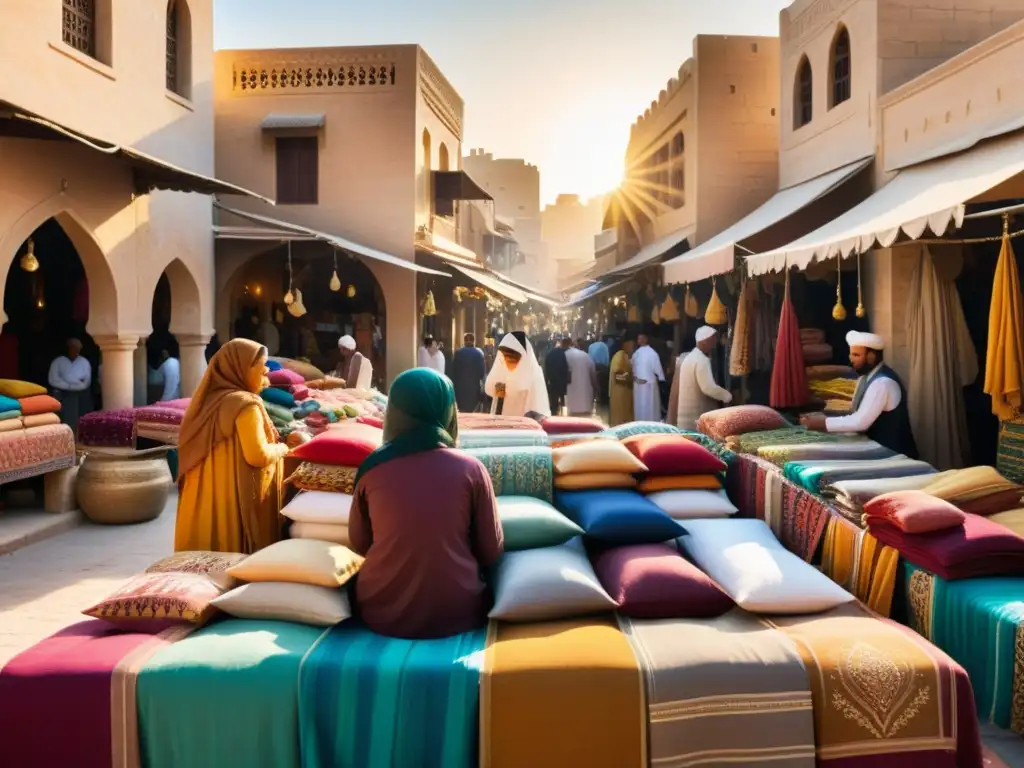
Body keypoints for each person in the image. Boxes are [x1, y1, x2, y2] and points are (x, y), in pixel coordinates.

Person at [348, 368, 503, 638]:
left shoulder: (371, 469)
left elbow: (359, 543)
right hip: (460, 612)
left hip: (381, 613)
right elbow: (491, 550)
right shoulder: (471, 470)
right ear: (447, 410)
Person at [174, 339, 289, 554]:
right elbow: (257, 455)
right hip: (229, 503)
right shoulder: (245, 404)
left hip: (201, 504)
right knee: (230, 562)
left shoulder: (206, 403)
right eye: (261, 366)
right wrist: (284, 449)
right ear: (241, 368)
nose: (266, 372)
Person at [801, 330, 918, 457]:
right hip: (879, 451)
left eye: (856, 355)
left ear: (871, 356)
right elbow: (856, 414)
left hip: (894, 454)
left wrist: (823, 423)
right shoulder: (865, 379)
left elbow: (860, 422)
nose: (851, 359)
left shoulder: (883, 382)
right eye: (851, 355)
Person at [673, 326, 732, 430]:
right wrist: (727, 396)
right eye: (712, 340)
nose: (714, 344)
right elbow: (708, 388)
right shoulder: (701, 360)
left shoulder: (690, 357)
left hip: (685, 419)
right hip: (696, 418)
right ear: (704, 341)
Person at [486, 331, 551, 418]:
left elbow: (538, 412)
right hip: (504, 426)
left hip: (526, 427)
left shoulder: (534, 376)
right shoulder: (502, 379)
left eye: (512, 356)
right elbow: (497, 404)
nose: (508, 360)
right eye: (505, 356)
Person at [49, 338, 93, 435]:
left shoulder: (84, 362)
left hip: (80, 393)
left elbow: (86, 381)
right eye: (72, 348)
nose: (74, 350)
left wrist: (74, 385)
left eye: (76, 348)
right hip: (62, 393)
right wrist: (69, 385)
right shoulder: (58, 362)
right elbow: (54, 379)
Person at [631, 333, 665, 422]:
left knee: (650, 405)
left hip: (649, 384)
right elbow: (632, 367)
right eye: (639, 339)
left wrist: (661, 377)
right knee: (640, 405)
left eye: (642, 338)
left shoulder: (652, 353)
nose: (641, 340)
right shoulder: (636, 354)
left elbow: (657, 368)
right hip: (638, 384)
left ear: (646, 339)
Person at [450, 332, 486, 412]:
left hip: (460, 389)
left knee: (462, 411)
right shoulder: (478, 354)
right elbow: (482, 373)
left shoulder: (458, 353)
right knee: (472, 412)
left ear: (464, 341)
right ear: (474, 341)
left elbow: (452, 372)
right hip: (473, 389)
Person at [566, 338, 598, 417]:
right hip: (586, 400)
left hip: (572, 401)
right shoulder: (587, 356)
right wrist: (596, 390)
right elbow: (593, 376)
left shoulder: (565, 354)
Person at [609, 336, 635, 426]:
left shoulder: (625, 356)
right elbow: (617, 375)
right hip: (620, 393)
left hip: (624, 393)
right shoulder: (620, 355)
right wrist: (630, 379)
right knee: (620, 418)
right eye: (631, 346)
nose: (632, 349)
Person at [544, 337, 570, 415]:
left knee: (554, 402)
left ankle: (554, 415)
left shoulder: (550, 354)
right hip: (562, 381)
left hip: (553, 381)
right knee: (563, 400)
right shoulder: (565, 354)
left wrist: (546, 380)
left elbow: (546, 367)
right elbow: (567, 368)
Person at [588, 336, 611, 405]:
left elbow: (589, 356)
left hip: (593, 365)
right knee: (602, 383)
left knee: (594, 382)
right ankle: (601, 398)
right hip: (603, 366)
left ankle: (595, 397)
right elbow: (607, 357)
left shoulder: (591, 346)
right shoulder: (605, 346)